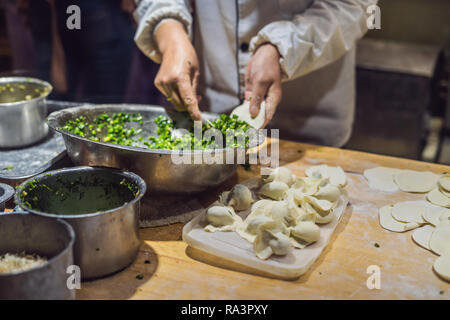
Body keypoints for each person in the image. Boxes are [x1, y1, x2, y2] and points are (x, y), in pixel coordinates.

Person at [134, 0, 377, 147]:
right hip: (211, 115)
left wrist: (283, 48)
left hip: (307, 123)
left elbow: (355, 6)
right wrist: (170, 32)